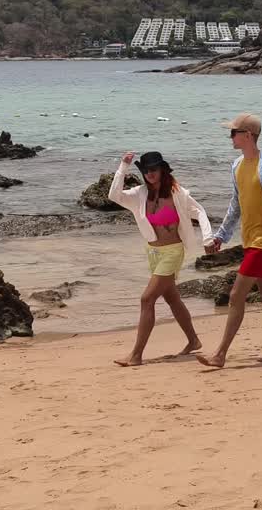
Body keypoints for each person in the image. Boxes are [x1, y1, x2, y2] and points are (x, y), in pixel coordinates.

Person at [198, 113, 262, 368]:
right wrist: (221, 235)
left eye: (233, 132)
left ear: (248, 136)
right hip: (249, 238)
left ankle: (220, 354)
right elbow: (236, 205)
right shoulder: (237, 166)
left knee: (236, 294)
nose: (230, 136)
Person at [108, 150, 213, 367]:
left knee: (147, 299)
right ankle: (193, 340)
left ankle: (136, 355)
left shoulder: (178, 194)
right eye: (146, 170)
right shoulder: (139, 194)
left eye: (154, 169)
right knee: (172, 298)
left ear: (162, 170)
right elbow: (114, 196)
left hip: (173, 251)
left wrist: (208, 239)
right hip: (153, 252)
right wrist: (122, 167)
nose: (149, 174)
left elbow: (200, 212)